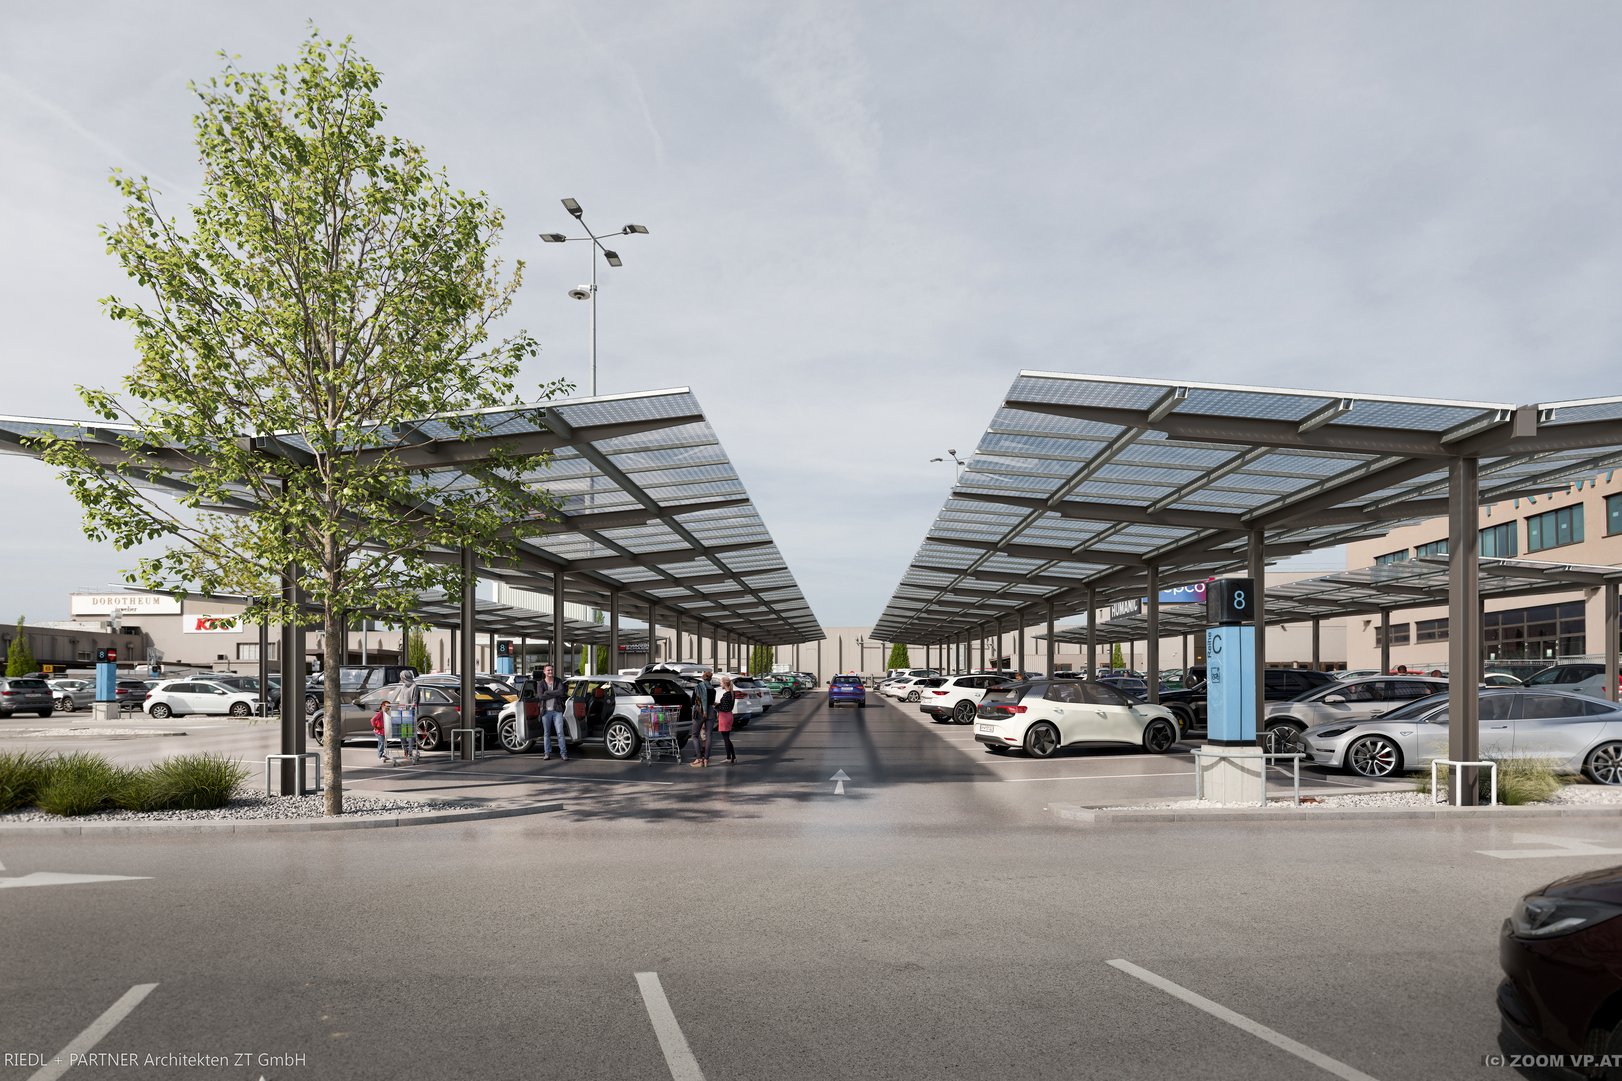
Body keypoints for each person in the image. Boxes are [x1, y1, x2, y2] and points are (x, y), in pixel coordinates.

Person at [537, 664, 568, 761]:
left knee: (560, 732)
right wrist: (553, 694)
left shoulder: (558, 681)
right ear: (544, 672)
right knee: (546, 733)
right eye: (548, 670)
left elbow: (561, 692)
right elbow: (541, 697)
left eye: (551, 670)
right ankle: (547, 753)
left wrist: (547, 693)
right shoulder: (541, 683)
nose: (550, 672)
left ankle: (563, 753)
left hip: (557, 710)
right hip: (545, 711)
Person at [391, 672, 421, 765]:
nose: (401, 678)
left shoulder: (414, 686)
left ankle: (410, 751)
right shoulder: (403, 686)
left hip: (409, 712)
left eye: (402, 676)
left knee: (409, 733)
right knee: (401, 733)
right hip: (401, 712)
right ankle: (405, 749)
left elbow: (415, 700)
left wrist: (411, 707)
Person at [688, 670, 715, 767]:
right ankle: (706, 759)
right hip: (710, 713)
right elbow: (711, 702)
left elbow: (692, 702)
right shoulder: (713, 689)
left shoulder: (698, 687)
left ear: (703, 678)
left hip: (699, 713)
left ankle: (699, 759)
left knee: (695, 735)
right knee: (709, 736)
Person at [714, 676, 737, 765]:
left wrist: (715, 706)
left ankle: (729, 757)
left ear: (724, 683)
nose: (720, 684)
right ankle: (733, 757)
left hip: (724, 716)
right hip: (729, 716)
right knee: (727, 737)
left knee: (726, 738)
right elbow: (727, 706)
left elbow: (724, 708)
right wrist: (719, 704)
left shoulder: (726, 694)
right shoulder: (731, 693)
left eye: (721, 682)